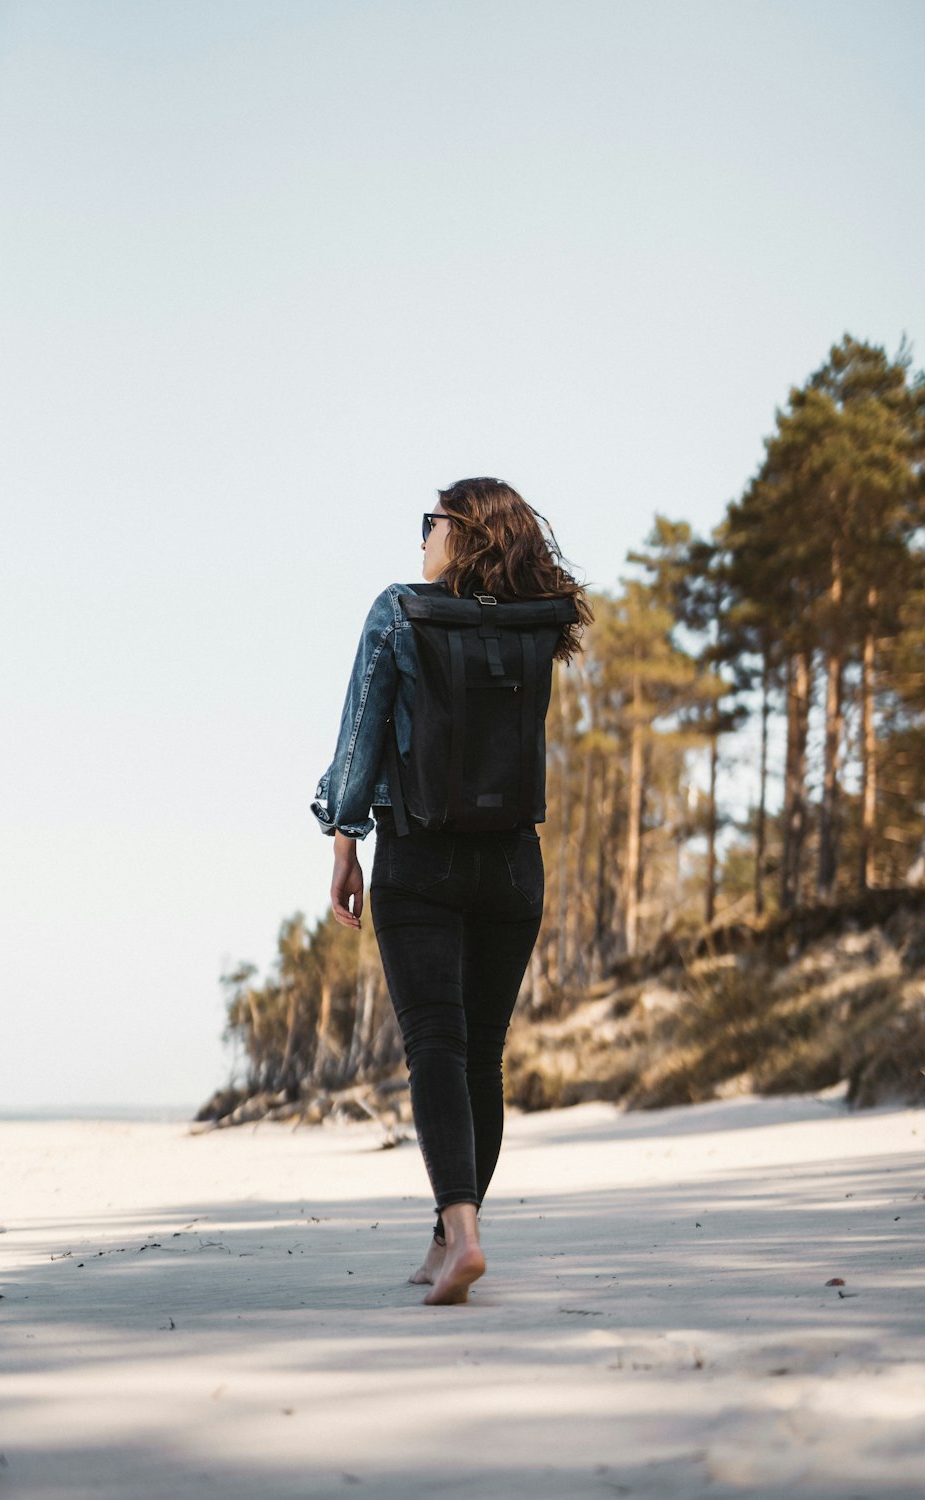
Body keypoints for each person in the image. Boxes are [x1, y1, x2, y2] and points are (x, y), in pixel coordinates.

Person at [311, 477, 591, 1304]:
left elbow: (360, 736)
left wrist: (342, 841)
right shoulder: (539, 623)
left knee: (434, 1043)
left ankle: (460, 1233)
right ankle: (450, 1240)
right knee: (483, 1055)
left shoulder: (400, 611)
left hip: (420, 856)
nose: (421, 537)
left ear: (461, 534)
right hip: (512, 864)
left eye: (430, 522)